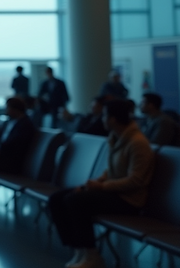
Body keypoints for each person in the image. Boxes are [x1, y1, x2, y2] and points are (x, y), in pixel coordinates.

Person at [48, 99, 155, 268]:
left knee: (75, 201)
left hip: (129, 200)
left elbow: (136, 181)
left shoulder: (137, 143)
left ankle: (92, 255)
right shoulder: (116, 137)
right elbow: (111, 171)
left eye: (104, 116)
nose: (102, 119)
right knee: (57, 198)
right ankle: (78, 249)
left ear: (112, 119)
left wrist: (101, 187)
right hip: (113, 192)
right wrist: (91, 184)